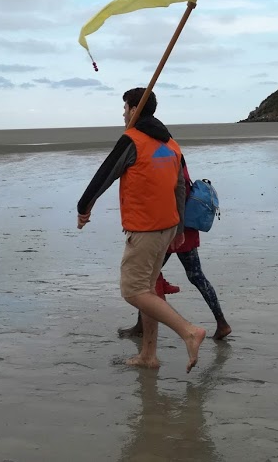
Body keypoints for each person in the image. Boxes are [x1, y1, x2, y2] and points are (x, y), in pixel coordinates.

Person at [77, 87, 206, 372]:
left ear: (136, 109)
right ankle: (148, 355)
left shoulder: (132, 140)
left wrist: (83, 207)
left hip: (147, 229)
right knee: (149, 290)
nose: (123, 113)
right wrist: (181, 226)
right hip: (169, 227)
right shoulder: (171, 143)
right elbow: (180, 185)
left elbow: (104, 175)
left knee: (133, 291)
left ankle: (189, 332)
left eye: (126, 107)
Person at [119, 160, 231, 341]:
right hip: (179, 227)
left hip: (175, 228)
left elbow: (176, 192)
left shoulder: (169, 157)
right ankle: (221, 322)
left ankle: (222, 323)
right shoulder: (172, 155)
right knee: (192, 276)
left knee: (147, 278)